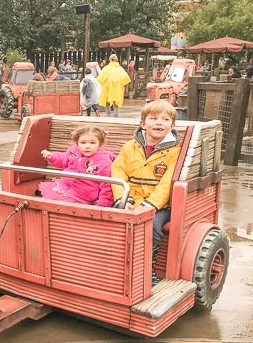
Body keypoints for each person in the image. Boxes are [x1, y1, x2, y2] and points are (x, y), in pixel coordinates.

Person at [111, 100, 181, 285]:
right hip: (131, 198)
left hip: (159, 205)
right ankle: (114, 266)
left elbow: (167, 183)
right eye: (153, 118)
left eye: (165, 119)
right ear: (143, 123)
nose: (159, 123)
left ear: (172, 126)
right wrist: (123, 198)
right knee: (109, 219)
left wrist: (150, 205)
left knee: (152, 226)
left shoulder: (175, 152)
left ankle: (147, 268)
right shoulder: (129, 146)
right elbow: (118, 171)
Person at [38, 125, 115, 206]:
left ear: (100, 144)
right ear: (77, 143)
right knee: (43, 201)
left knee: (54, 205)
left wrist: (102, 205)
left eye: (92, 143)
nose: (87, 146)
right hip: (63, 186)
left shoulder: (104, 161)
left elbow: (107, 186)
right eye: (83, 142)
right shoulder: (73, 151)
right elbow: (63, 159)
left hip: (81, 196)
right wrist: (52, 156)